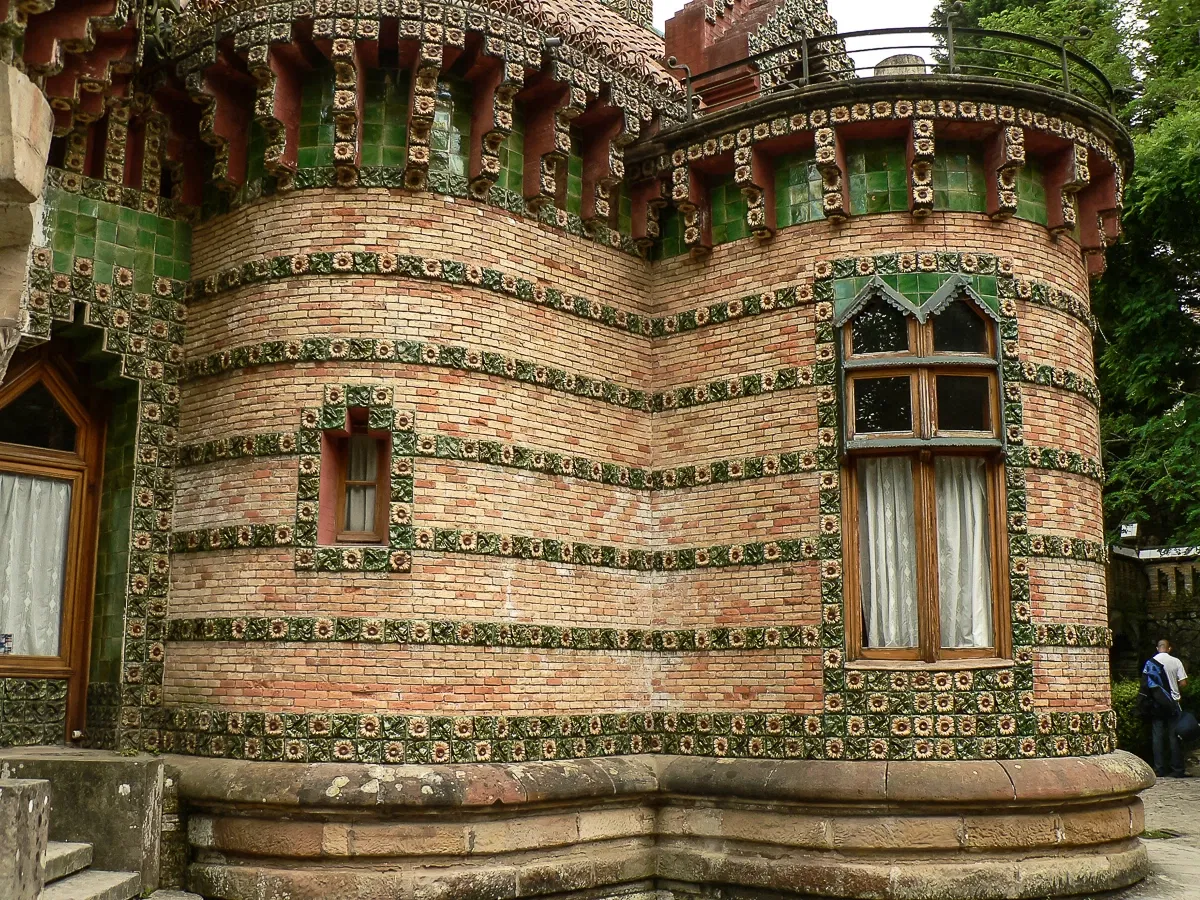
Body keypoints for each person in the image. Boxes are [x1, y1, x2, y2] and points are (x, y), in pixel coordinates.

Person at [1151, 640, 1189, 778]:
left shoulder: (1150, 662)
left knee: (1157, 736)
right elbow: (1183, 682)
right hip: (1173, 703)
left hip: (1156, 704)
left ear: (1157, 648)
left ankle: (1159, 768)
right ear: (1169, 648)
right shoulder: (1176, 661)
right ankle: (1177, 769)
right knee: (1174, 736)